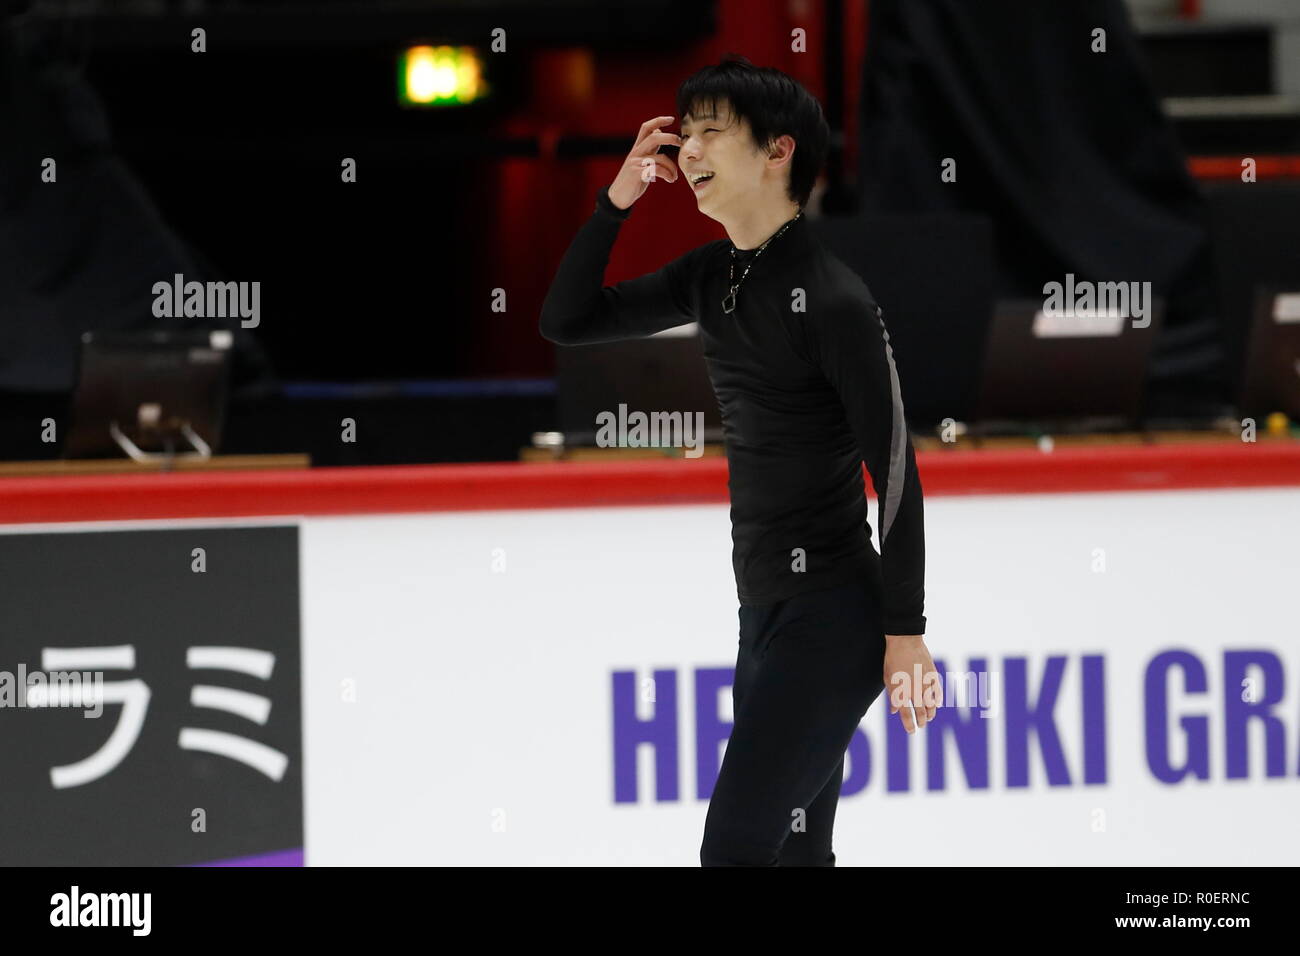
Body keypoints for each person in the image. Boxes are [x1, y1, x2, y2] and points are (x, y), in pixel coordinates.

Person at [539, 54, 940, 866]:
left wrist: (906, 631)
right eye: (684, 134)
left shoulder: (834, 300)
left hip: (834, 618)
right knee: (796, 857)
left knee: (735, 850)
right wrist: (614, 203)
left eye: (711, 132)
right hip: (762, 614)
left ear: (778, 151)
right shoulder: (709, 275)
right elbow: (567, 319)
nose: (688, 150)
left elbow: (895, 469)